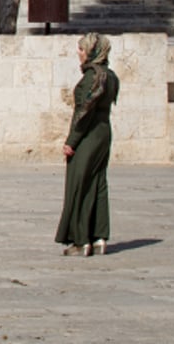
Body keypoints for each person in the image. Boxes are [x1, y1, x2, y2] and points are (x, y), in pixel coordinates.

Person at [55, 32, 120, 256]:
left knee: (78, 185)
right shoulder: (110, 76)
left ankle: (81, 240)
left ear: (92, 52)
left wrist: (71, 141)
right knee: (98, 183)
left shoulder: (92, 77)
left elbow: (83, 113)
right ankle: (99, 236)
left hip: (89, 135)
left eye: (82, 49)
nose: (79, 53)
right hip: (104, 132)